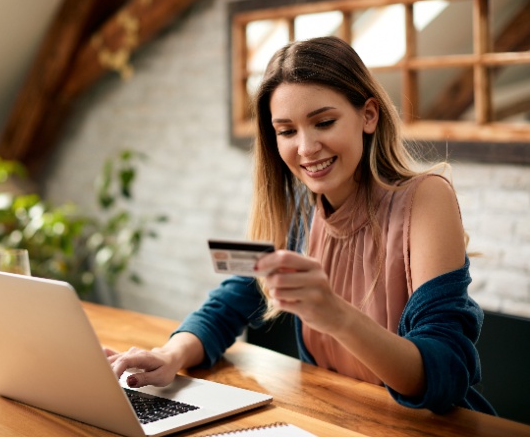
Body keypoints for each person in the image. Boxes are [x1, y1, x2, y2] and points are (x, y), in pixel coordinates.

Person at [107, 36, 495, 415]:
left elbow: (446, 373)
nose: (306, 148)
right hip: (347, 419)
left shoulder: (426, 199)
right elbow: (230, 303)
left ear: (368, 115)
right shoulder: (299, 208)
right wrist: (168, 355)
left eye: (323, 122)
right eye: (287, 131)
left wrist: (337, 315)